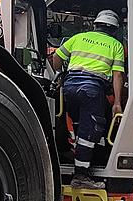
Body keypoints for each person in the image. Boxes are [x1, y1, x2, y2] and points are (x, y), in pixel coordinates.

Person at [51, 10, 126, 187]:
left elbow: (56, 57)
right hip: (92, 90)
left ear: (96, 25)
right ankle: (81, 175)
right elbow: (117, 76)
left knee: (75, 124)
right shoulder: (115, 45)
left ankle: (72, 153)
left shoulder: (79, 38)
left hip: (69, 88)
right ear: (114, 29)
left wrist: (60, 73)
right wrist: (117, 103)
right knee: (90, 130)